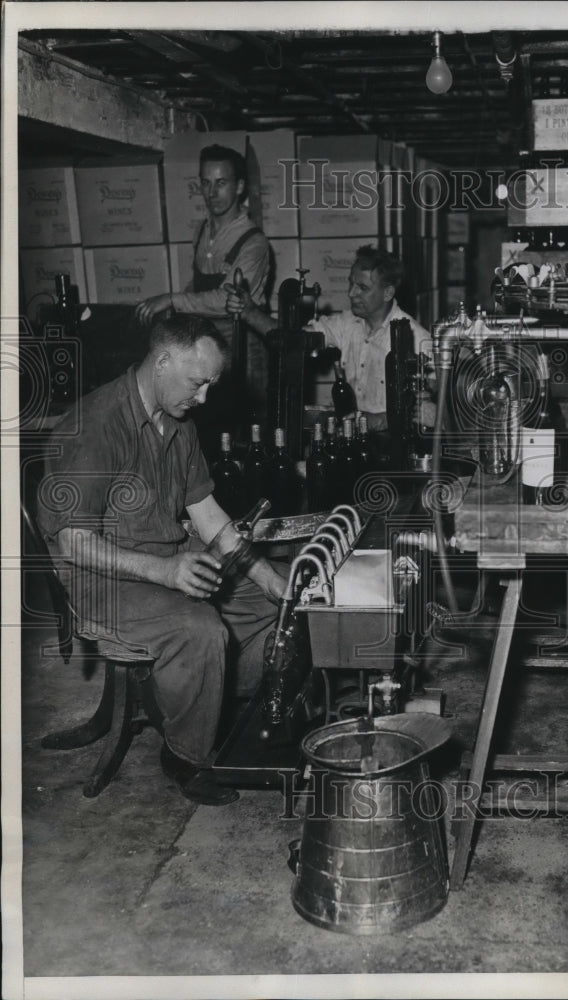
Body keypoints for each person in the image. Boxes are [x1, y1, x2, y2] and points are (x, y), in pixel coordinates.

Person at [36, 314, 286, 806]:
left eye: (211, 385)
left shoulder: (178, 422)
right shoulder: (96, 425)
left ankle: (224, 710)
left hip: (162, 555)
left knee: (268, 604)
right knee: (200, 627)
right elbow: (72, 543)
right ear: (163, 360)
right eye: (199, 383)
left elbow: (208, 516)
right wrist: (167, 571)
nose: (204, 398)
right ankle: (185, 754)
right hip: (100, 578)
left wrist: (270, 576)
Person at [135, 144, 273, 432]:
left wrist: (173, 298)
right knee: (208, 426)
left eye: (221, 183)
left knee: (246, 429)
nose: (211, 193)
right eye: (206, 183)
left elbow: (225, 299)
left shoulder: (254, 242)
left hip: (243, 351)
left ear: (240, 187)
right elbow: (198, 284)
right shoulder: (202, 230)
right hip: (208, 345)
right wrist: (174, 309)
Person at [226, 243, 436, 433]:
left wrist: (380, 420)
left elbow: (433, 410)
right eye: (350, 284)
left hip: (394, 443)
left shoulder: (417, 339)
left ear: (388, 293)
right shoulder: (347, 323)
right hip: (353, 436)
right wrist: (249, 312)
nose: (352, 293)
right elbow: (293, 339)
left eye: (362, 288)